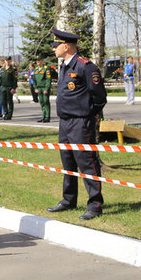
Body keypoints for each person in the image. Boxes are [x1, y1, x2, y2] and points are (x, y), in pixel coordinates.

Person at [46, 28, 106, 221]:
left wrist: (91, 113)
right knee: (68, 163)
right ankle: (68, 199)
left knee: (87, 162)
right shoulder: (64, 65)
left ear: (66, 46)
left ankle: (95, 205)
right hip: (65, 122)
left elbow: (99, 96)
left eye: (56, 45)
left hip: (80, 122)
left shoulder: (85, 66)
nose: (53, 48)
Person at [33, 57, 52, 123]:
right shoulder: (36, 69)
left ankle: (47, 117)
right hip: (39, 88)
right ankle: (43, 116)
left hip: (44, 88)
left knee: (46, 102)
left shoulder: (46, 68)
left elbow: (48, 79)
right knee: (41, 102)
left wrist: (46, 88)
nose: (38, 62)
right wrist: (35, 88)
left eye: (39, 60)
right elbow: (34, 79)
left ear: (42, 61)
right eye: (37, 60)